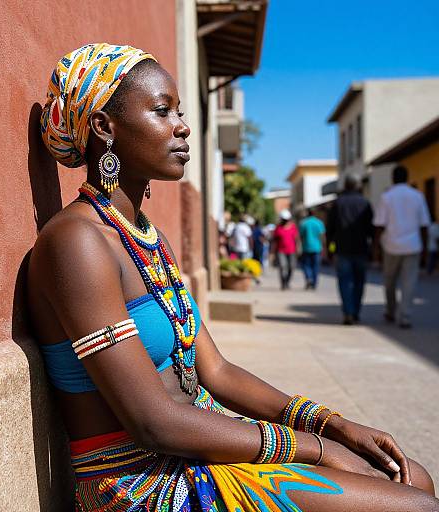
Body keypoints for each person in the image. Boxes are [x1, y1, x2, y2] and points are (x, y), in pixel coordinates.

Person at [27, 43, 437, 511]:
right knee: (417, 506)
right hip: (140, 482)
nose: (182, 126)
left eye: (179, 111)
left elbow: (215, 370)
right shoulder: (76, 243)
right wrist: (319, 449)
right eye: (162, 112)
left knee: (410, 476)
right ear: (105, 127)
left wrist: (329, 425)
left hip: (193, 447)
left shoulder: (146, 236)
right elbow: (153, 422)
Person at [374, 165, 431, 328]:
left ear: (393, 178)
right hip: (413, 245)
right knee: (409, 282)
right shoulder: (417, 196)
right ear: (407, 177)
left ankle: (391, 310)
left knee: (389, 281)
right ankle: (405, 315)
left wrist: (377, 249)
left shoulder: (387, 197)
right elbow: (424, 225)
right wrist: (425, 249)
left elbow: (379, 225)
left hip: (391, 245)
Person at [326, 175, 373, 325]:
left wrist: (329, 249)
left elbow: (330, 230)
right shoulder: (365, 203)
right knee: (359, 282)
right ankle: (355, 311)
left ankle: (348, 312)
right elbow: (371, 229)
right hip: (361, 248)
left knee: (344, 282)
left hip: (342, 249)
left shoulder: (337, 204)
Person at [272, 209, 299, 290]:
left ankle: (287, 281)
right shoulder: (278, 228)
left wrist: (298, 249)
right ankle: (283, 283)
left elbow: (296, 239)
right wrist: (272, 252)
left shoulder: (293, 227)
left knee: (291, 267)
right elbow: (274, 240)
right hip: (281, 251)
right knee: (283, 266)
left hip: (292, 251)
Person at [299, 208, 325, 290]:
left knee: (306, 265)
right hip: (317, 248)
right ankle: (314, 283)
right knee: (315, 266)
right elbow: (322, 236)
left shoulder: (304, 223)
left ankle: (308, 278)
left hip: (306, 248)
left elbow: (300, 236)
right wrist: (324, 247)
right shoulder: (319, 223)